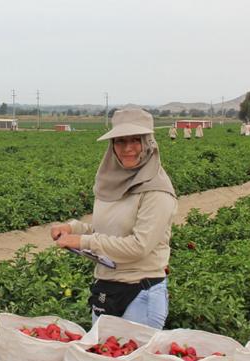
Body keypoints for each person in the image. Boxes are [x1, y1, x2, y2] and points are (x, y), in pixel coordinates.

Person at [49, 108, 177, 329]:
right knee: (104, 359)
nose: (128, 148)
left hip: (141, 293)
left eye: (136, 140)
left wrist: (83, 241)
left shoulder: (156, 190)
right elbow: (107, 229)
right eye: (120, 141)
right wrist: (73, 228)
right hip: (107, 287)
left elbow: (139, 246)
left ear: (149, 143)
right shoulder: (111, 180)